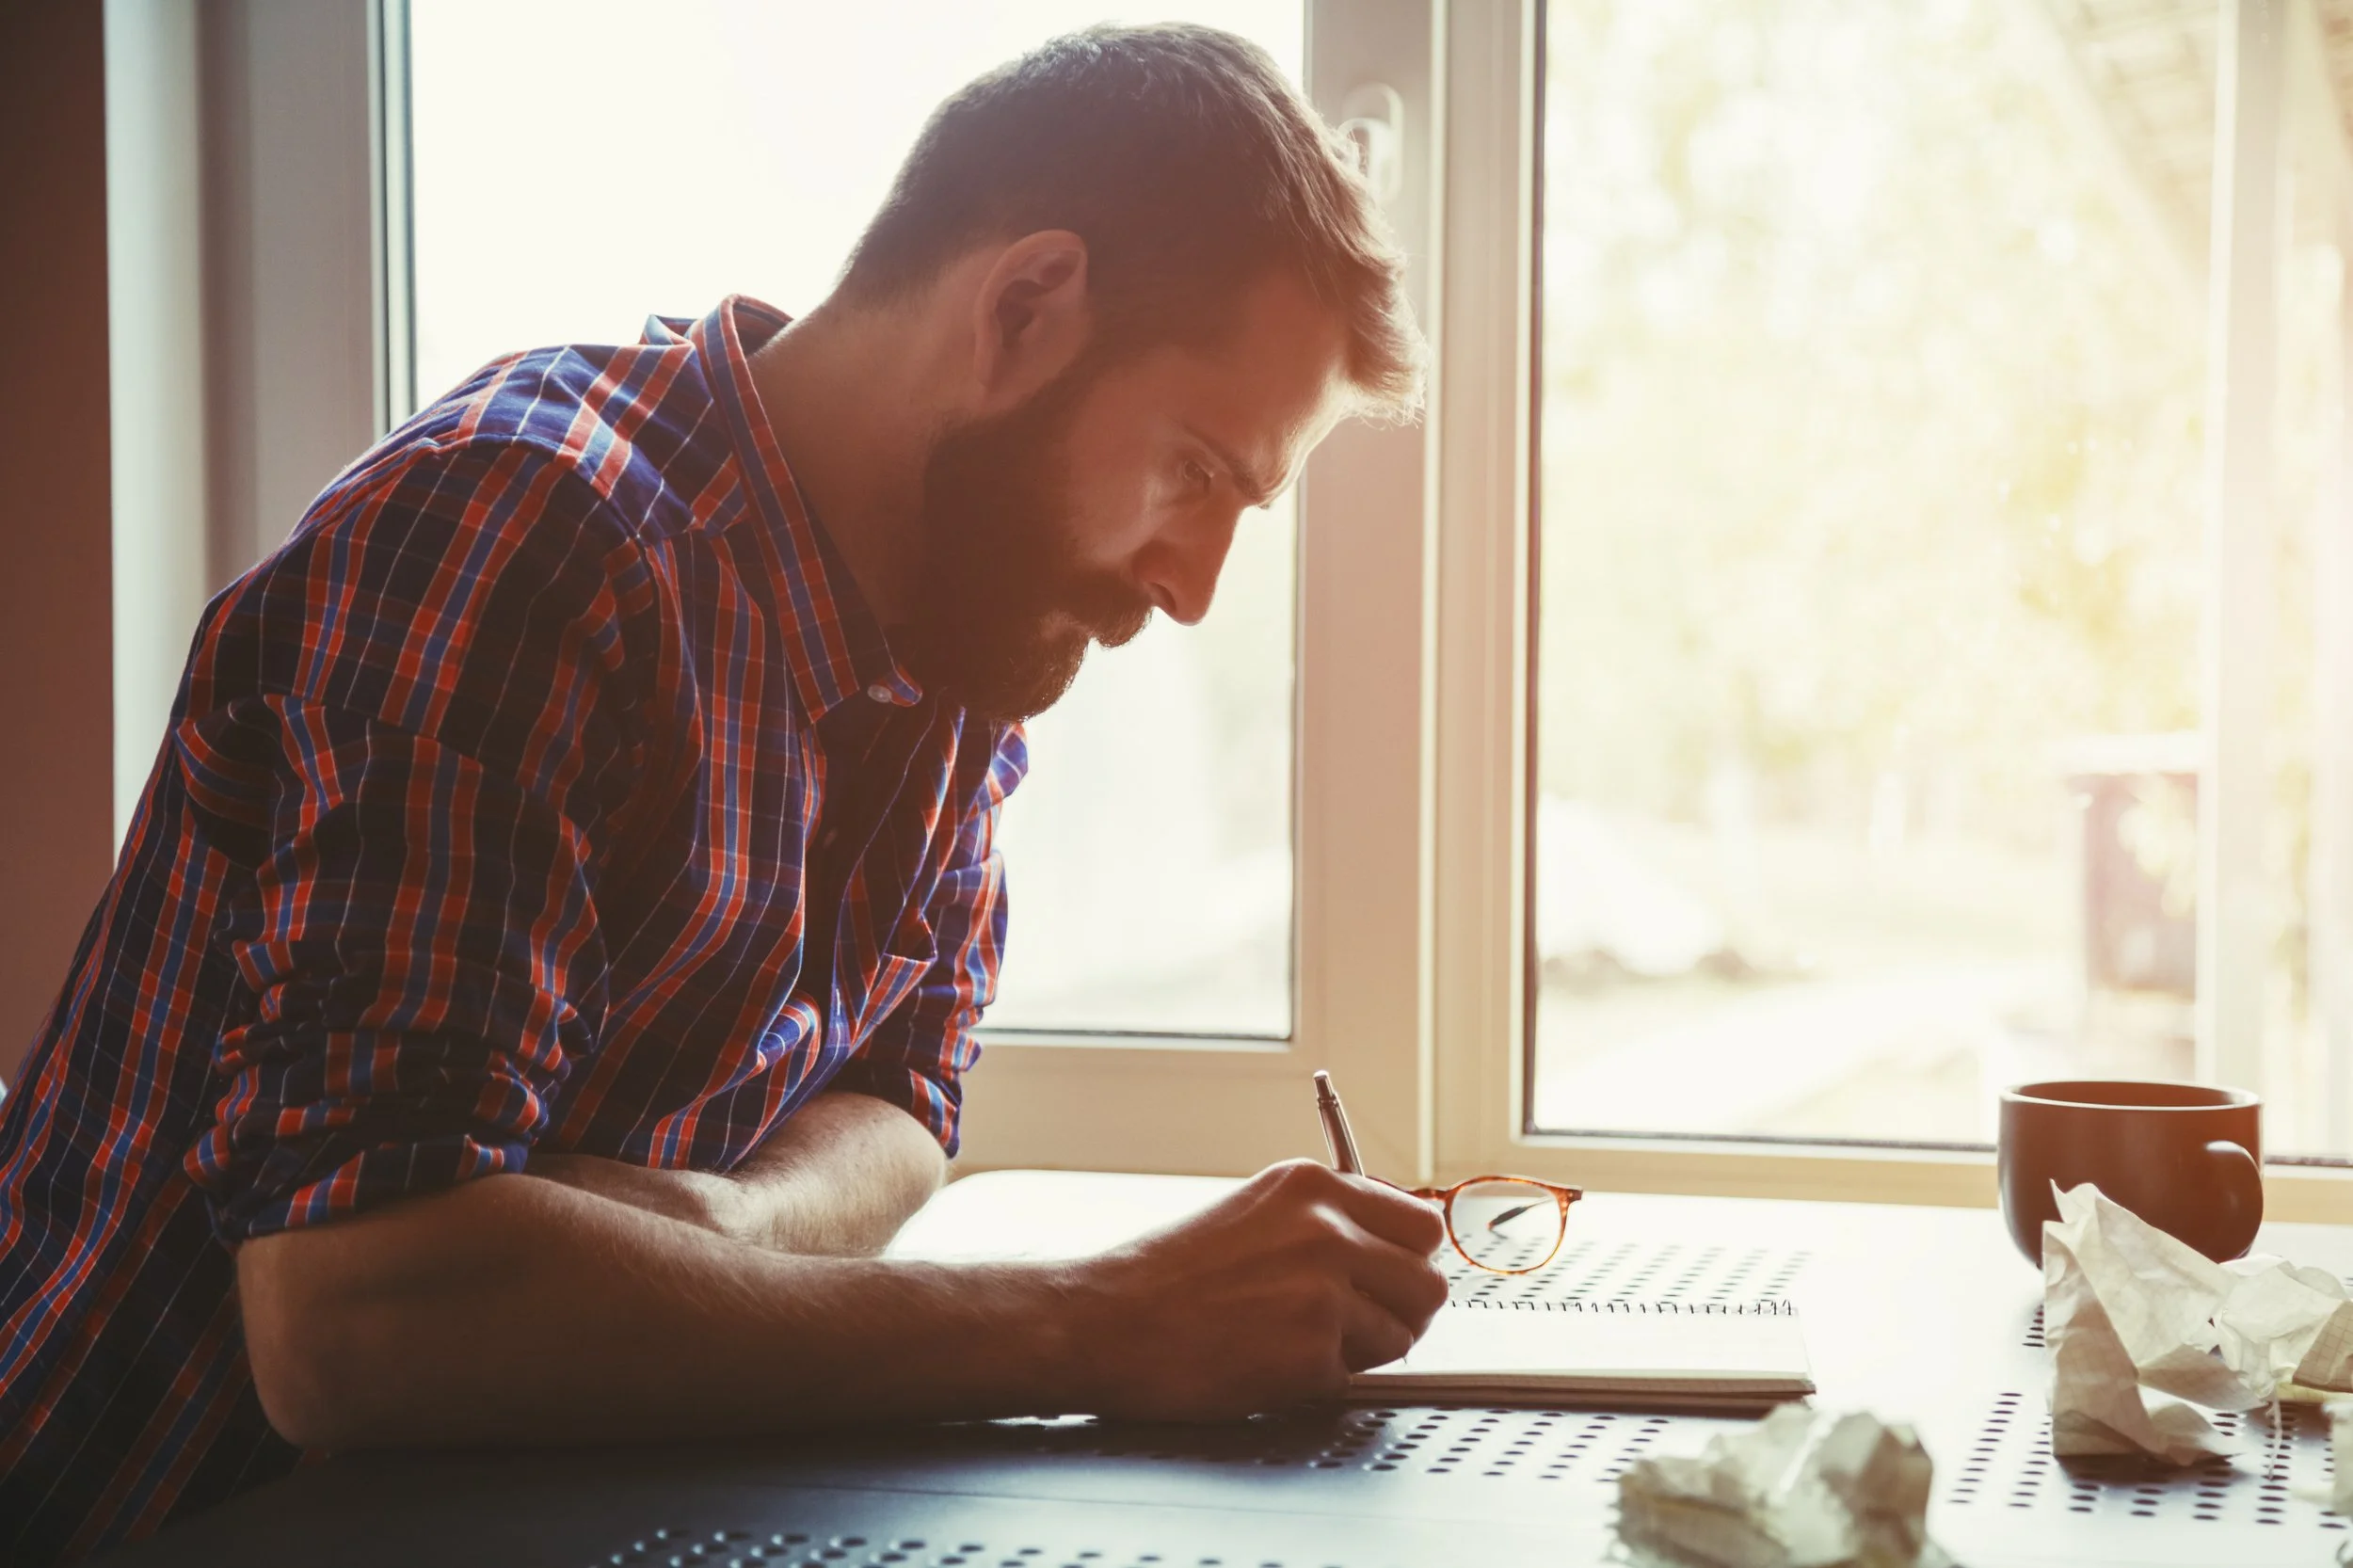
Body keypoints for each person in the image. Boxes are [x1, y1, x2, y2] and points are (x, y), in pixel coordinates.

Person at [0, 22, 1449, 1565]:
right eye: (1199, 473)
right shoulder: (525, 540)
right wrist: (1095, 1320)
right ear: (1024, 309)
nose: (1193, 585)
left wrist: (701, 1233)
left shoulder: (958, 634)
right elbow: (349, 1322)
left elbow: (902, 1109)